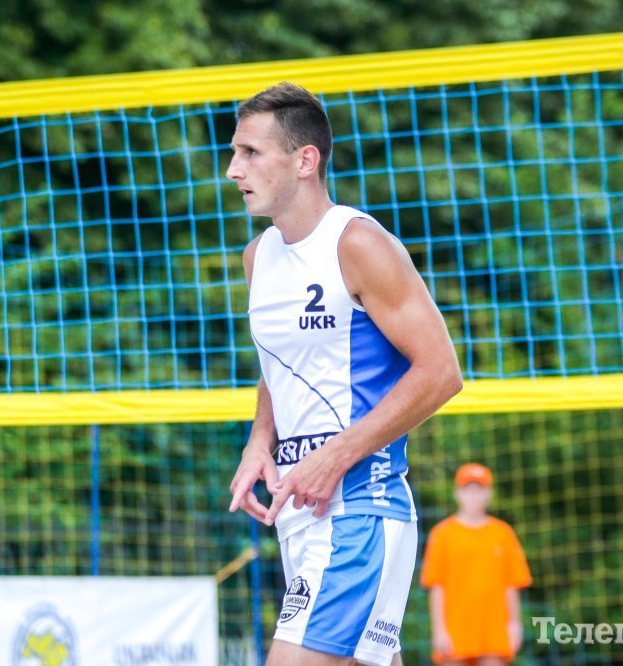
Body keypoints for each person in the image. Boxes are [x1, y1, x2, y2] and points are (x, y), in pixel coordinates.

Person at [226, 81, 463, 666]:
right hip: (300, 510)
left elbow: (441, 372)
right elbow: (281, 364)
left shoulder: (357, 243)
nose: (233, 170)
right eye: (234, 153)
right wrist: (259, 441)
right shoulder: (258, 257)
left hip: (360, 504)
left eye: (250, 152)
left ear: (305, 160)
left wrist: (334, 456)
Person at [420, 463, 532, 666]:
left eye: (479, 489)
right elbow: (436, 586)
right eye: (468, 489)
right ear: (458, 493)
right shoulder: (442, 534)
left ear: (489, 494)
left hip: (494, 630)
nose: (473, 496)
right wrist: (439, 631)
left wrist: (515, 625)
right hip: (455, 630)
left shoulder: (503, 534)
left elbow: (511, 585)